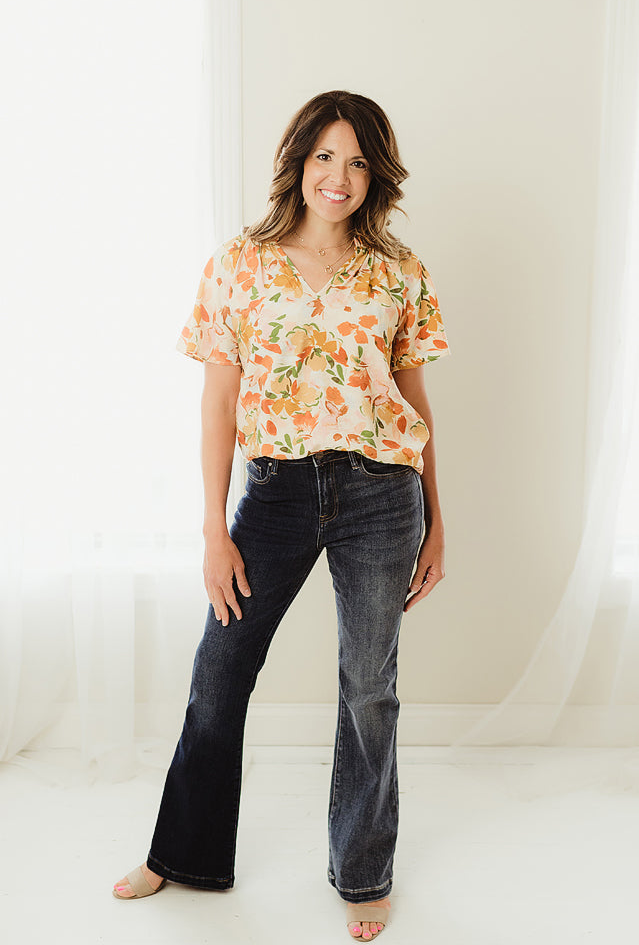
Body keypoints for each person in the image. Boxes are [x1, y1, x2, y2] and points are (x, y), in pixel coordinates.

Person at [112, 89, 450, 941]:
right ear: (297, 161)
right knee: (219, 671)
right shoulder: (239, 262)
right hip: (273, 493)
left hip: (382, 493)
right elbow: (217, 404)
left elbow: (415, 403)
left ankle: (362, 871)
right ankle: (181, 854)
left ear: (376, 175)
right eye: (325, 156)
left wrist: (437, 520)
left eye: (359, 161)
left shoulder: (398, 270)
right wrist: (212, 528)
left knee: (369, 688)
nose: (340, 177)